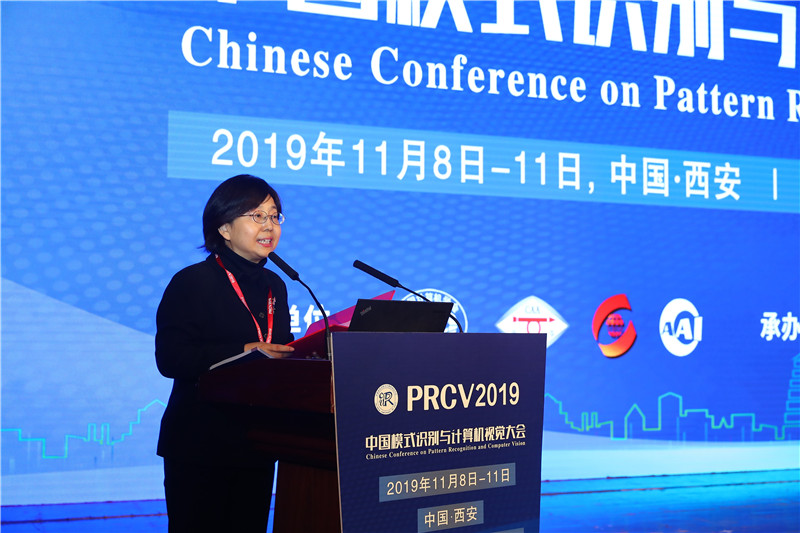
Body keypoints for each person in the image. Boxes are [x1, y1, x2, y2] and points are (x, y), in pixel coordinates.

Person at [155, 174, 295, 532]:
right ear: (224, 228)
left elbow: (278, 345)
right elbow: (170, 358)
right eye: (257, 216)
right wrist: (242, 351)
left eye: (274, 216)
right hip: (201, 443)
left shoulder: (276, 285)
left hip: (258, 443)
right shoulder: (192, 282)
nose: (269, 226)